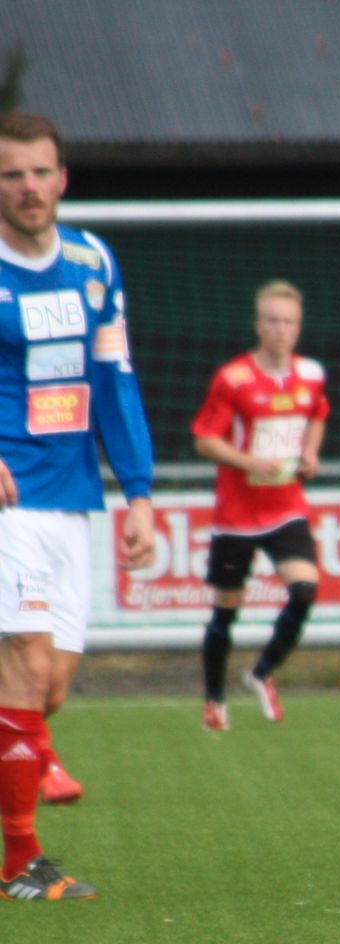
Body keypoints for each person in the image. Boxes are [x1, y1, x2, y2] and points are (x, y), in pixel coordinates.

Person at [0, 111, 156, 900]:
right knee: (23, 670)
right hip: (8, 501)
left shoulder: (93, 262)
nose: (28, 188)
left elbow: (115, 378)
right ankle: (20, 862)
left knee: (48, 687)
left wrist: (140, 492)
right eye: (12, 175)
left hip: (72, 497)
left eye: (39, 172)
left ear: (62, 178)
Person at [191, 280, 328, 729]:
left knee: (305, 590)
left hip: (286, 506)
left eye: (288, 322)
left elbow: (317, 416)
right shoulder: (234, 378)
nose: (280, 329)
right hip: (237, 516)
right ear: (258, 324)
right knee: (226, 611)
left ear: (299, 327)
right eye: (272, 320)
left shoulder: (310, 374)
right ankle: (214, 699)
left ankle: (262, 673)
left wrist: (310, 454)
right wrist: (249, 461)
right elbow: (205, 439)